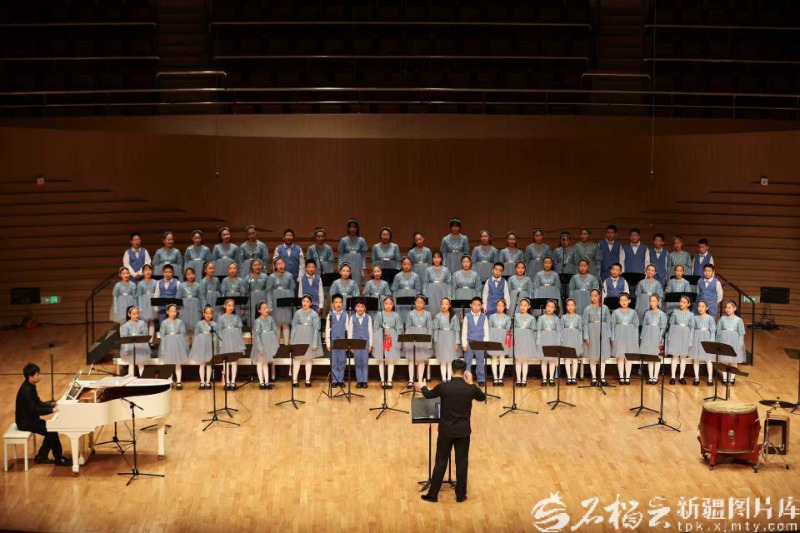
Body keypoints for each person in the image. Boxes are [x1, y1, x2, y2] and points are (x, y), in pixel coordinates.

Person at [416, 359, 486, 504]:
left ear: (451, 371)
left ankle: (433, 494)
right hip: (463, 431)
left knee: (440, 462)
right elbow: (482, 397)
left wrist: (422, 387)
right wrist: (471, 383)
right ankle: (460, 495)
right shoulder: (470, 389)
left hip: (446, 431)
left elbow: (429, 394)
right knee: (462, 463)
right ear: (465, 372)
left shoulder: (444, 387)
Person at [15, 363, 70, 466]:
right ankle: (58, 458)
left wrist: (51, 405)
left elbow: (38, 402)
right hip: (26, 422)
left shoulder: (30, 386)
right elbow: (35, 409)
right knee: (51, 430)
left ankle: (42, 456)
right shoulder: (26, 391)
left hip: (31, 420)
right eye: (37, 374)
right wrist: (52, 410)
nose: (40, 376)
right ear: (30, 377)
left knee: (50, 430)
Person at [290, 294, 322, 387]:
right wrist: (292, 339)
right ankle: (294, 380)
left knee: (308, 359)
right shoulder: (298, 313)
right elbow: (294, 325)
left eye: (307, 301)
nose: (305, 303)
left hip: (309, 337)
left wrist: (314, 343)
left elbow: (316, 329)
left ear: (311, 303)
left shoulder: (314, 314)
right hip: (299, 337)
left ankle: (307, 380)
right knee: (297, 359)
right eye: (303, 301)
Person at [373, 296, 404, 388]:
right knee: (381, 360)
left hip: (392, 338)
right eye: (386, 303)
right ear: (383, 304)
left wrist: (398, 341)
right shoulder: (379, 315)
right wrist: (379, 335)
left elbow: (399, 328)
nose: (388, 305)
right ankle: (383, 380)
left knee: (391, 360)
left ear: (393, 305)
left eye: (390, 304)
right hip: (381, 337)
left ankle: (389, 380)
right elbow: (375, 327)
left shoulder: (396, 315)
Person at [583, 289, 611, 386]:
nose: (593, 298)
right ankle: (594, 377)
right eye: (592, 296)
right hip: (592, 331)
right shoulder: (587, 309)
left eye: (596, 295)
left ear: (599, 296)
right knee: (593, 356)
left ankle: (602, 377)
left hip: (602, 331)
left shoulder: (605, 308)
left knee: (602, 356)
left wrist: (609, 335)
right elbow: (585, 323)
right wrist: (586, 336)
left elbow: (609, 322)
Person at [404, 295, 433, 387]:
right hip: (413, 336)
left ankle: (420, 380)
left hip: (423, 337)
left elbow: (430, 328)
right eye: (417, 302)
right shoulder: (410, 313)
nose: (419, 304)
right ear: (415, 302)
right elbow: (408, 326)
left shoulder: (428, 314)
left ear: (424, 303)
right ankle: (411, 380)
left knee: (421, 359)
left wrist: (429, 341)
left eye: (421, 302)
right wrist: (407, 340)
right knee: (411, 359)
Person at [158, 303, 189, 389]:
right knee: (169, 364)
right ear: (167, 312)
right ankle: (170, 380)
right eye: (171, 311)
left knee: (178, 364)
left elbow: (183, 334)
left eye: (175, 311)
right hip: (168, 344)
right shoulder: (164, 323)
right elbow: (162, 335)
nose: (173, 313)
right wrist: (163, 348)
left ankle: (178, 382)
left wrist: (183, 346)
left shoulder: (180, 322)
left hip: (177, 344)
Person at [610, 292, 638, 385]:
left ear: (629, 301)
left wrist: (635, 337)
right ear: (619, 302)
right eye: (621, 300)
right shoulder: (615, 312)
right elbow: (612, 325)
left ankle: (628, 377)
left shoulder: (633, 312)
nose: (623, 302)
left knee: (628, 357)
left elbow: (636, 325)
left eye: (625, 300)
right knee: (620, 357)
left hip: (630, 335)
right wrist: (613, 337)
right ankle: (621, 377)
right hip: (619, 334)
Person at [217, 298, 245, 389]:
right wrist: (220, 342)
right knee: (226, 362)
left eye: (232, 306)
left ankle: (233, 381)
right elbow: (219, 331)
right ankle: (227, 382)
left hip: (234, 341)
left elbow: (239, 329)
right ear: (225, 306)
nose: (231, 307)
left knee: (234, 362)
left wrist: (239, 340)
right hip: (225, 341)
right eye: (229, 305)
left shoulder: (236, 317)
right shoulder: (221, 318)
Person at [716, 300, 746, 385]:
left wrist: (740, 344)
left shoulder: (738, 320)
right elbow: (718, 331)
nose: (727, 309)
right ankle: (724, 378)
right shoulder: (722, 318)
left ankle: (732, 378)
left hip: (734, 342)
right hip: (724, 340)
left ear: (734, 308)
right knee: (724, 361)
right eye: (726, 307)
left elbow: (741, 333)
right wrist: (717, 341)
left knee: (733, 361)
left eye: (729, 307)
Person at [667, 295, 695, 385]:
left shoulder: (691, 315)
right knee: (675, 356)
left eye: (684, 302)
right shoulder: (675, 312)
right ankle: (672, 376)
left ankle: (681, 376)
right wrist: (669, 337)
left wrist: (690, 341)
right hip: (676, 335)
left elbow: (692, 328)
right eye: (681, 301)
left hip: (685, 335)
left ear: (688, 304)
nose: (681, 304)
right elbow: (671, 325)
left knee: (683, 357)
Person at [639, 295, 667, 384]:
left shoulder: (661, 314)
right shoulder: (647, 313)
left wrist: (660, 338)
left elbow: (663, 327)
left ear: (658, 302)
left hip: (656, 335)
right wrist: (642, 337)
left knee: (656, 357)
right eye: (650, 301)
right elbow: (644, 325)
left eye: (654, 301)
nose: (652, 303)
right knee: (649, 357)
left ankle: (655, 377)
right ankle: (650, 377)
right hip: (647, 335)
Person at [461, 296, 489, 386]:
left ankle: (481, 379)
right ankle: (467, 379)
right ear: (471, 305)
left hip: (480, 343)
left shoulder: (484, 317)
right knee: (467, 362)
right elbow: (464, 331)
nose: (476, 307)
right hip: (469, 343)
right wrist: (464, 344)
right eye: (474, 304)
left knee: (480, 362)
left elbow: (486, 331)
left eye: (478, 305)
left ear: (481, 306)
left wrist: (485, 344)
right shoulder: (467, 316)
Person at [347, 298, 373, 389]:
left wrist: (370, 344)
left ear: (365, 308)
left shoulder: (368, 317)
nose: (360, 308)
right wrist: (350, 345)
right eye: (358, 306)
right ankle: (359, 381)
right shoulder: (352, 318)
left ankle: (364, 381)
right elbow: (350, 332)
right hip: (356, 343)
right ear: (355, 308)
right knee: (357, 362)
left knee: (364, 362)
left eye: (362, 306)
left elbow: (370, 331)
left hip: (365, 343)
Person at [432, 297, 460, 383]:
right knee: (443, 360)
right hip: (441, 338)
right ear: (440, 305)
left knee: (450, 360)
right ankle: (444, 379)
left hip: (451, 338)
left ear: (449, 305)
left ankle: (449, 378)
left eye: (446, 304)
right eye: (443, 304)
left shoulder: (453, 316)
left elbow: (457, 330)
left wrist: (457, 342)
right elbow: (435, 329)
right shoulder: (438, 316)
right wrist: (436, 340)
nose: (444, 305)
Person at [252, 301, 278, 390]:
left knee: (265, 362)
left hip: (269, 342)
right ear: (259, 310)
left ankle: (267, 381)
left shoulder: (270, 319)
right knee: (260, 362)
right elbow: (257, 335)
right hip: (261, 343)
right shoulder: (258, 321)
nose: (266, 310)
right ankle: (261, 382)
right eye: (264, 309)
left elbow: (274, 329)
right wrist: (260, 347)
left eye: (267, 308)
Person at [691, 300, 716, 386]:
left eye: (702, 306)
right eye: (699, 306)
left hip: (706, 338)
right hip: (697, 338)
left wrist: (712, 342)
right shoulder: (695, 318)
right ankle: (696, 378)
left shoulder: (710, 318)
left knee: (708, 359)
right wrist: (691, 341)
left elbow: (712, 331)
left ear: (706, 308)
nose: (700, 308)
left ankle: (710, 378)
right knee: (696, 359)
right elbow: (692, 330)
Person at [536, 300, 562, 386]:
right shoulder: (541, 318)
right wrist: (538, 341)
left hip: (553, 339)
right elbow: (538, 330)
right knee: (544, 360)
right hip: (543, 339)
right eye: (548, 306)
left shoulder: (556, 319)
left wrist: (558, 343)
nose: (549, 308)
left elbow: (559, 331)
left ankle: (551, 378)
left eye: (551, 307)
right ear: (545, 307)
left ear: (555, 309)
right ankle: (544, 378)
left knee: (552, 360)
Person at [190, 305, 216, 390]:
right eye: (206, 313)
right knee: (202, 364)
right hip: (201, 345)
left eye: (210, 313)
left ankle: (208, 382)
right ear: (203, 314)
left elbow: (215, 336)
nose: (208, 315)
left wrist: (215, 344)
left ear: (212, 314)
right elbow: (196, 334)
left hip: (209, 345)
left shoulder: (214, 324)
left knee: (208, 364)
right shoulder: (199, 323)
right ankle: (202, 381)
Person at [513, 297, 537, 387]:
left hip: (527, 339)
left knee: (525, 360)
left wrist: (533, 341)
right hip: (518, 338)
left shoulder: (531, 318)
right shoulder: (516, 316)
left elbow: (534, 330)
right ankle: (518, 379)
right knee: (518, 360)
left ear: (529, 306)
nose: (523, 307)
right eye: (521, 305)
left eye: (525, 305)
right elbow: (512, 328)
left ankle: (524, 379)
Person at [325, 294, 348, 388]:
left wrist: (347, 343)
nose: (338, 304)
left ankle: (341, 380)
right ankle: (334, 380)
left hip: (342, 342)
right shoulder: (330, 315)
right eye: (336, 302)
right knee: (334, 361)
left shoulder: (345, 315)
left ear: (342, 303)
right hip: (333, 341)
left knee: (342, 361)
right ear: (332, 304)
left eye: (340, 302)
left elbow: (347, 329)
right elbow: (327, 330)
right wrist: (328, 343)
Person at [488, 298, 512, 386]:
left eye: (502, 306)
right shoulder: (491, 317)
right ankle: (495, 378)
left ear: (505, 307)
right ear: (496, 306)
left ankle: (500, 378)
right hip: (494, 338)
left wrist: (507, 342)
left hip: (503, 339)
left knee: (502, 358)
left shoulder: (507, 318)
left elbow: (508, 330)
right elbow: (489, 328)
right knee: (494, 358)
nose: (500, 307)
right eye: (498, 305)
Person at [120, 306, 150, 376]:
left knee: (141, 364)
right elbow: (125, 339)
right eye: (134, 314)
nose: (136, 315)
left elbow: (145, 334)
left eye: (137, 313)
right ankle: (130, 378)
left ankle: (142, 379)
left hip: (140, 347)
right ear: (129, 314)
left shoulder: (142, 323)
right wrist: (125, 351)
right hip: (130, 347)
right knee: (131, 364)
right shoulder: (126, 325)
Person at [339, 219, 368, 286]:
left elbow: (363, 256)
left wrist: (363, 268)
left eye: (354, 227)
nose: (352, 229)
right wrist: (340, 267)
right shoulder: (343, 240)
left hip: (358, 264)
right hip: (347, 262)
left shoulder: (361, 240)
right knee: (346, 283)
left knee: (357, 283)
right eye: (350, 227)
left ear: (357, 229)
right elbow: (341, 255)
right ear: (348, 228)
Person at [560, 298, 583, 385]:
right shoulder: (563, 317)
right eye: (568, 305)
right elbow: (561, 330)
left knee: (574, 358)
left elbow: (580, 330)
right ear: (566, 306)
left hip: (575, 339)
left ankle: (574, 377)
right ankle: (569, 377)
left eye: (572, 305)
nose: (570, 307)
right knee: (567, 358)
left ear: (575, 306)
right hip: (566, 338)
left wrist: (580, 341)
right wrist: (561, 340)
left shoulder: (579, 317)